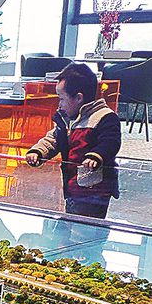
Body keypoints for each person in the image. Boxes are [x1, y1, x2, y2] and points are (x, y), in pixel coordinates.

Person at [25, 62, 122, 220]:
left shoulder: (104, 117)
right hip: (73, 187)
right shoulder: (67, 119)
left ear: (78, 98)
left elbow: (111, 142)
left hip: (95, 191)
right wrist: (38, 151)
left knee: (86, 227)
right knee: (71, 221)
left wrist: (96, 155)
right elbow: (53, 138)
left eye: (62, 99)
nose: (59, 104)